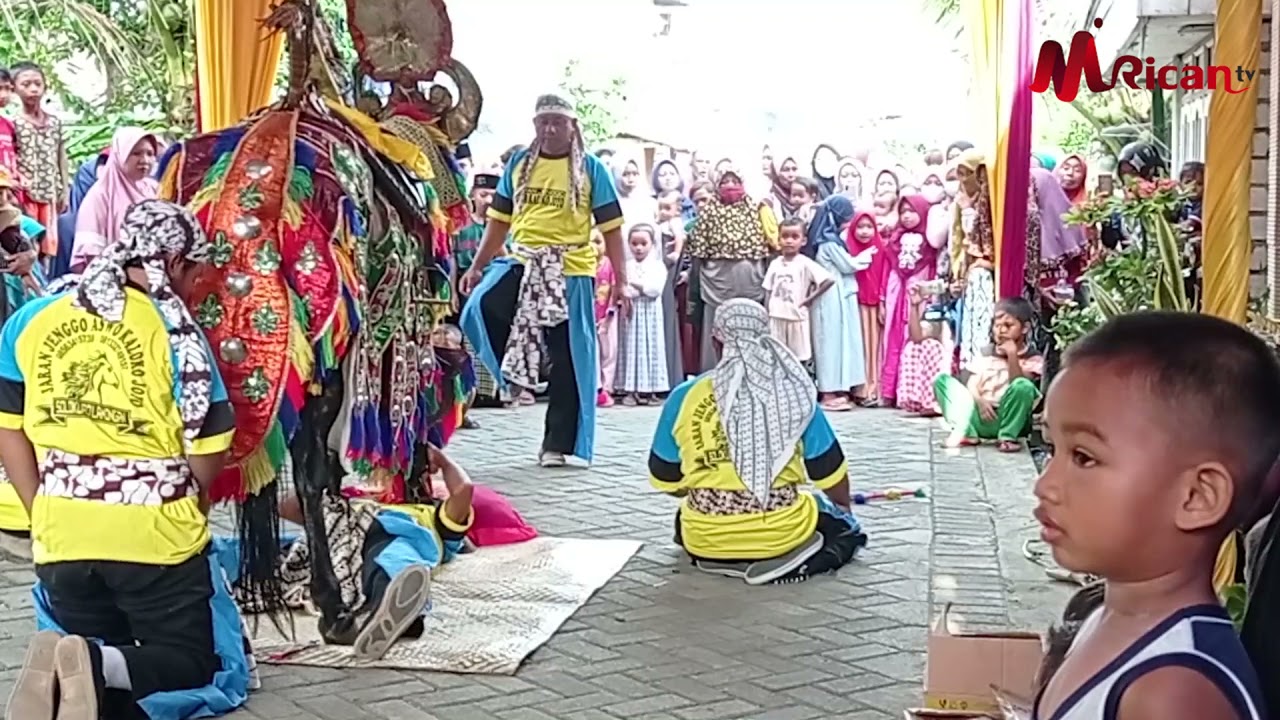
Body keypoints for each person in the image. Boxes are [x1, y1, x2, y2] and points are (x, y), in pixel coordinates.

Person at [0, 200, 242, 720]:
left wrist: (41, 507)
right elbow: (207, 450)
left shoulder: (32, 318)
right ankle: (92, 659)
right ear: (175, 262)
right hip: (154, 534)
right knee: (192, 663)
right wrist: (188, 497)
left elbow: (8, 429)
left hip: (61, 532)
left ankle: (82, 657)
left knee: (96, 667)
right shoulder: (175, 332)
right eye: (196, 268)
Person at [1034, 312, 1271, 720]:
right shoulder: (1106, 617)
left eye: (1084, 458)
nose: (1045, 485)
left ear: (1196, 496)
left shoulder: (1175, 690)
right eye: (1051, 448)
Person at [459, 94, 627, 468]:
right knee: (480, 308)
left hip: (571, 269)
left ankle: (557, 443)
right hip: (524, 261)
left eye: (557, 122)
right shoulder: (519, 164)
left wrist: (622, 279)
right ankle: (521, 369)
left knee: (570, 357)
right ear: (535, 126)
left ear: (572, 127)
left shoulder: (591, 169)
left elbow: (612, 229)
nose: (550, 129)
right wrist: (477, 266)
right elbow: (498, 222)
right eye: (543, 122)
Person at [648, 299, 867, 585]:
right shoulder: (793, 391)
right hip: (781, 531)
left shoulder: (683, 396)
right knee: (846, 529)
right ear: (767, 339)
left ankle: (718, 556)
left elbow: (665, 477)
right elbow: (829, 469)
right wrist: (842, 507)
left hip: (703, 534)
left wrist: (714, 489)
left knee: (685, 516)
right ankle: (797, 563)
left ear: (716, 341)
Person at [264, 442, 472, 661]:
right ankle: (391, 618)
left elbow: (463, 490)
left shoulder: (432, 514)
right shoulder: (351, 500)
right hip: (349, 543)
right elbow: (288, 506)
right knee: (364, 567)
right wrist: (326, 470)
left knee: (394, 561)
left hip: (397, 540)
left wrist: (443, 461)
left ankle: (387, 614)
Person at [685, 167, 776, 371]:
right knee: (717, 329)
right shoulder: (709, 212)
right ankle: (714, 375)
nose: (730, 186)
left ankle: (754, 372)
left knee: (751, 328)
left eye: (735, 181)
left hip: (752, 283)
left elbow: (770, 247)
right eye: (725, 182)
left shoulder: (756, 209)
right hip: (716, 284)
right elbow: (698, 251)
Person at [933, 297, 1041, 450]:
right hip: (982, 414)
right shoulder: (987, 352)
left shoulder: (1033, 357)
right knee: (942, 381)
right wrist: (980, 401)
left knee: (1023, 385)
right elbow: (973, 382)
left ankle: (1007, 437)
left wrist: (1012, 355)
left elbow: (1020, 384)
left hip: (1008, 419)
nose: (1001, 330)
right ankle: (968, 432)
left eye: (1008, 325)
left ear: (1025, 328)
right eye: (997, 326)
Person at [806, 197, 869, 411]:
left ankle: (837, 388)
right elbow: (848, 265)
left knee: (835, 343)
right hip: (829, 298)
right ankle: (827, 391)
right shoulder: (828, 242)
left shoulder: (828, 240)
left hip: (835, 298)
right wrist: (867, 255)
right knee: (828, 344)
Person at [880, 195, 941, 407]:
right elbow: (887, 269)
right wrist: (882, 299)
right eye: (903, 212)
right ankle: (889, 391)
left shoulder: (929, 244)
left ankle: (909, 393)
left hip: (918, 295)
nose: (906, 216)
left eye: (912, 211)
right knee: (892, 339)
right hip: (895, 296)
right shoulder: (894, 241)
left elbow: (932, 271)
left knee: (913, 338)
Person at [71, 127, 159, 274]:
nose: (145, 160)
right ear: (120, 155)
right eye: (136, 153)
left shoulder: (154, 190)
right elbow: (92, 254)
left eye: (150, 154)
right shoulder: (100, 196)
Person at [11, 62, 67, 260]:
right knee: (28, 242)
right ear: (14, 88)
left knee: (48, 245)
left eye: (37, 83)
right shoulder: (13, 123)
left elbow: (60, 155)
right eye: (26, 84)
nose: (33, 89)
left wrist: (64, 190)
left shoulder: (54, 122)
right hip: (25, 195)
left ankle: (44, 286)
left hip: (49, 192)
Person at [456, 172, 501, 412]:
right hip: (466, 285)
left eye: (494, 196)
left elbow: (509, 256)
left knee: (489, 339)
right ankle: (467, 394)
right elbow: (453, 258)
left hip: (492, 286)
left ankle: (490, 392)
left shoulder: (502, 227)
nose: (488, 200)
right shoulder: (463, 225)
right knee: (467, 341)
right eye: (483, 195)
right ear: (473, 195)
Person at [763, 217, 833, 363]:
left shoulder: (804, 263)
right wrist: (766, 312)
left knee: (798, 358)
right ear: (779, 239)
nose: (789, 241)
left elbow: (828, 280)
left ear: (803, 241)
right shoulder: (775, 263)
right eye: (785, 236)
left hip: (796, 317)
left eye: (794, 237)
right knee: (776, 356)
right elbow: (768, 289)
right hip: (776, 316)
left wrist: (809, 300)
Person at [951, 150, 996, 372]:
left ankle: (979, 371)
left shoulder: (989, 203)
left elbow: (984, 243)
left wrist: (969, 209)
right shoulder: (960, 203)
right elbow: (958, 243)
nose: (964, 181)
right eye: (959, 174)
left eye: (967, 174)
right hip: (968, 278)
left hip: (986, 277)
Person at [618, 224, 669, 405]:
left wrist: (638, 286)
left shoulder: (657, 266)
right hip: (632, 312)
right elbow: (624, 288)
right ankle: (631, 390)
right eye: (634, 243)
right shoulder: (626, 266)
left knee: (651, 347)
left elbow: (654, 289)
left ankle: (651, 390)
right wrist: (635, 288)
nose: (638, 248)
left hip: (650, 312)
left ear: (651, 244)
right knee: (631, 347)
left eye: (643, 243)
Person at [895, 281, 950, 416]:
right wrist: (914, 305)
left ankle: (943, 401)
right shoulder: (932, 306)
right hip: (940, 345)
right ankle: (927, 400)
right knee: (917, 347)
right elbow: (917, 337)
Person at [655, 189, 687, 385]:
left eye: (668, 208)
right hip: (661, 264)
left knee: (667, 312)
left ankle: (670, 375)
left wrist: (675, 253)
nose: (664, 212)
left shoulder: (675, 224)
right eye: (661, 208)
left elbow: (680, 239)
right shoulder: (660, 224)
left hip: (669, 264)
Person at [592, 230, 618, 408]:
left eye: (598, 242)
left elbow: (614, 287)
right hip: (589, 316)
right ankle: (595, 388)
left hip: (606, 315)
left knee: (608, 352)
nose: (594, 246)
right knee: (593, 353)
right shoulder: (584, 264)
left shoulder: (609, 264)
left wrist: (609, 312)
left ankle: (607, 387)